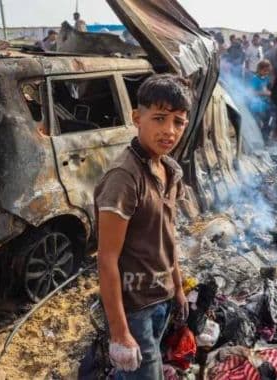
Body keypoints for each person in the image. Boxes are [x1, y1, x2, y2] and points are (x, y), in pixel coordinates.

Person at [95, 74, 190, 379]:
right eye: (159, 118)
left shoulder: (170, 170)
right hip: (134, 307)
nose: (169, 131)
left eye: (178, 122)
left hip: (161, 297)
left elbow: (168, 236)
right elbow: (106, 258)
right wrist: (120, 333)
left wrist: (177, 287)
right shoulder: (125, 177)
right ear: (137, 117)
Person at [249, 59, 273, 142]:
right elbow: (252, 92)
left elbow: (267, 89)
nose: (266, 73)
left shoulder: (266, 78)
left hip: (265, 104)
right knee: (257, 123)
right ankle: (257, 139)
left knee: (269, 120)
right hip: (256, 105)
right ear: (259, 69)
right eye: (265, 71)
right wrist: (263, 93)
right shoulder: (255, 79)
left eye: (268, 71)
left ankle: (264, 137)